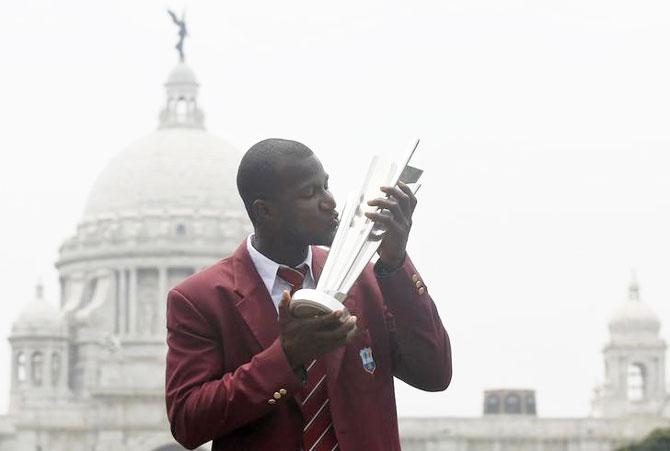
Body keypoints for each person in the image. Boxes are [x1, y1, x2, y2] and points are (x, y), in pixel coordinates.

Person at [165, 138, 452, 450]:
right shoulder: (200, 299)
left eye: (325, 186)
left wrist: (395, 263)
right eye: (309, 193)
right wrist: (286, 357)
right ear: (265, 211)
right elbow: (187, 423)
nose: (329, 202)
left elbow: (434, 374)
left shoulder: (364, 279)